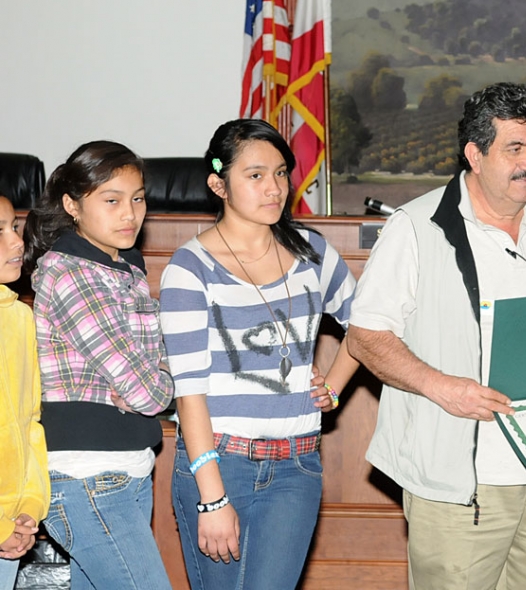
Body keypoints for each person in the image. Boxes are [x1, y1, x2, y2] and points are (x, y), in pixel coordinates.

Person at [347, 82, 526, 590]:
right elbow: (365, 336)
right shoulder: (417, 226)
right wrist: (440, 386)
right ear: (474, 155)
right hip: (460, 481)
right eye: (514, 149)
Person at [159, 119, 357, 590]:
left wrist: (333, 385)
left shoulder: (313, 251)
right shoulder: (190, 268)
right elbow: (189, 395)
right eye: (255, 175)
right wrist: (211, 499)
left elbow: (369, 327)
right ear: (218, 183)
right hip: (220, 463)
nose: (274, 188)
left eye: (281, 173)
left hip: (298, 466)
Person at [23, 142, 174, 590]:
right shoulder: (67, 271)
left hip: (127, 470)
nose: (130, 213)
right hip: (88, 477)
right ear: (72, 205)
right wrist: (159, 383)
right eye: (111, 200)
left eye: (138, 198)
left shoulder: (123, 269)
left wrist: (150, 379)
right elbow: (151, 392)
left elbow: (148, 375)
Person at [0, 194, 48, 590]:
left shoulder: (19, 317)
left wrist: (30, 506)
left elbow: (29, 422)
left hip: (10, 524)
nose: (17, 242)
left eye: (14, 227)